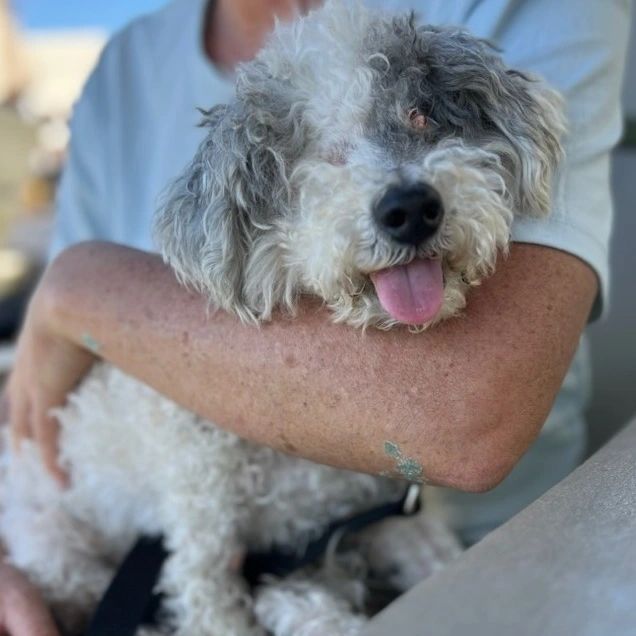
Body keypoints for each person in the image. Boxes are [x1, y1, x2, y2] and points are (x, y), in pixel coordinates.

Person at [1, 0, 631, 633]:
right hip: (160, 570)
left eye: (418, 121)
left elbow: (460, 426)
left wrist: (86, 290)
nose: (402, 196)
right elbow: (39, 393)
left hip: (494, 581)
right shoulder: (123, 69)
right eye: (323, 159)